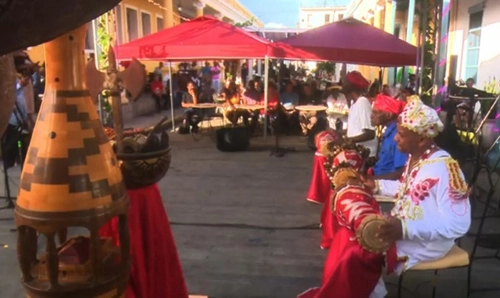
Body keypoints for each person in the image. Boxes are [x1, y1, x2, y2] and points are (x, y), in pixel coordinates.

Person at [301, 95, 471, 298]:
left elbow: (458, 223)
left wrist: (405, 228)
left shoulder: (444, 168)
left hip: (428, 243)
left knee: (357, 249)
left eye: (401, 134)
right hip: (403, 228)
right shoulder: (418, 157)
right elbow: (408, 189)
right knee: (347, 235)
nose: (396, 138)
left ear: (422, 138)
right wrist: (376, 184)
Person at [369, 94, 407, 179]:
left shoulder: (397, 135)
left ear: (388, 115)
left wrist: (372, 180)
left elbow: (400, 174)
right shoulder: (389, 132)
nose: (371, 116)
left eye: (375, 112)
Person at [342, 71, 377, 156]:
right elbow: (356, 129)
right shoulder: (354, 104)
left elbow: (370, 133)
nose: (343, 84)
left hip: (365, 155)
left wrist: (348, 140)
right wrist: (338, 133)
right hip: (356, 153)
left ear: (350, 86)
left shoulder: (362, 102)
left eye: (345, 82)